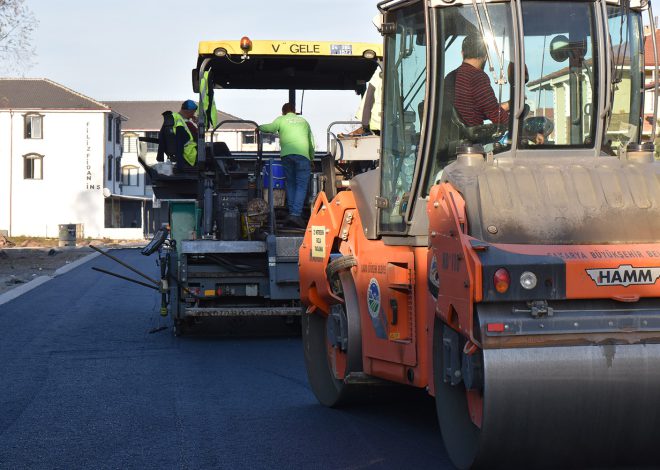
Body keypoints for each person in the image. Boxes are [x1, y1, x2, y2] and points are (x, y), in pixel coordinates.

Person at [258, 103, 315, 228]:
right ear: (294, 111)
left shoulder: (281, 119)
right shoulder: (304, 121)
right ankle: (295, 215)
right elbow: (311, 142)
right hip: (303, 155)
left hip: (287, 155)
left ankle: (291, 213)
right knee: (301, 185)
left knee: (290, 183)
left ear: (283, 111)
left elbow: (270, 128)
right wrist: (311, 158)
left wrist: (258, 127)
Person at [453, 35, 509, 127]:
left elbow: (476, 109)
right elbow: (495, 114)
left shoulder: (451, 76)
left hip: (454, 136)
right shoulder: (477, 77)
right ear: (486, 56)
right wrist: (521, 131)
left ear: (462, 54)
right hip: (471, 138)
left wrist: (507, 105)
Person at [157, 100, 199, 168]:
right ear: (188, 111)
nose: (193, 115)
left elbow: (161, 137)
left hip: (177, 155)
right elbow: (199, 138)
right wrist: (198, 124)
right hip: (190, 155)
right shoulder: (188, 124)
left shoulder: (171, 118)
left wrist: (160, 157)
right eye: (193, 112)